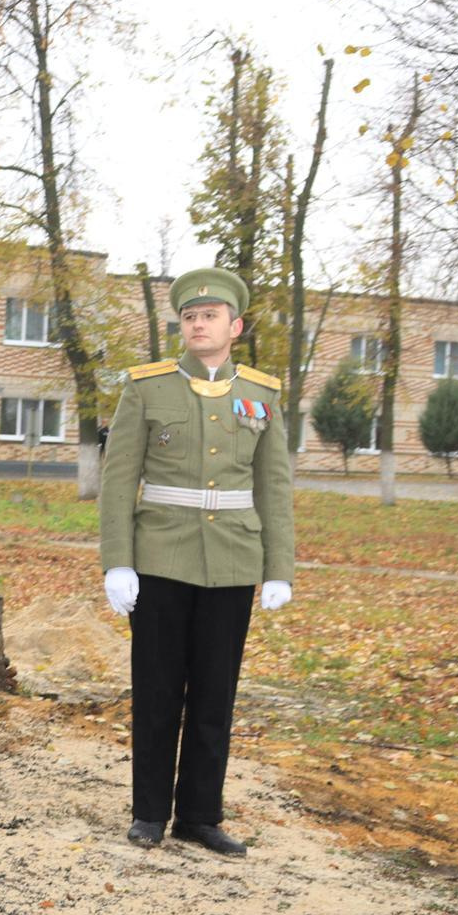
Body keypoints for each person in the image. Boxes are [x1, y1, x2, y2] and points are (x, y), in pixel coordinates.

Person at [97, 266, 294, 858]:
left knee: (215, 694)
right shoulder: (147, 387)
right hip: (158, 557)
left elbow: (274, 485)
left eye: (209, 316)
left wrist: (279, 566)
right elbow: (118, 480)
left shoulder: (261, 396)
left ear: (234, 326)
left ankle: (200, 816)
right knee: (157, 691)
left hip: (233, 560)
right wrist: (117, 561)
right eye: (189, 317)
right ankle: (150, 813)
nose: (198, 324)